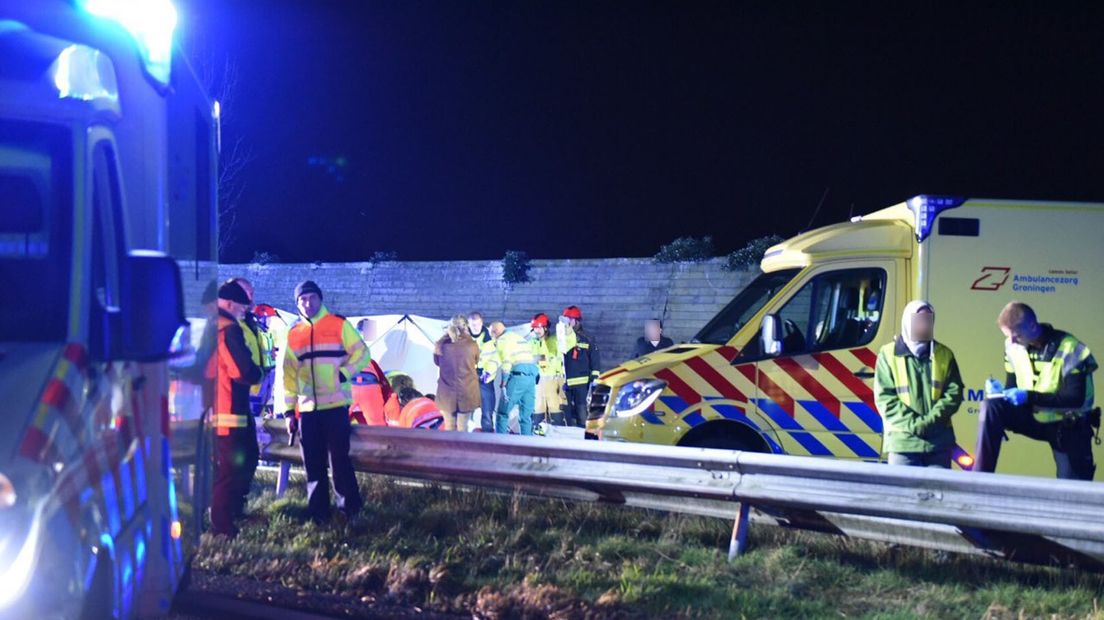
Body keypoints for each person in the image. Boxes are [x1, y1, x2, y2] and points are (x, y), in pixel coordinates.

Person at [975, 302, 1098, 480]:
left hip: (1067, 425)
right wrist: (1002, 393)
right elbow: (1012, 386)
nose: (1012, 342)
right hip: (1032, 417)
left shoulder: (1070, 348)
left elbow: (1074, 399)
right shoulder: (1012, 346)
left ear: (1032, 326)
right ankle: (980, 480)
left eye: (1016, 336)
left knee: (1073, 491)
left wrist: (1028, 396)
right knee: (992, 406)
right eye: (1008, 336)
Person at [283, 280, 370, 522]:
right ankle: (318, 514)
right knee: (313, 464)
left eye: (311, 298)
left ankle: (350, 511)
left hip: (336, 407)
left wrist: (344, 373)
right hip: (308, 410)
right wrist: (289, 411)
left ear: (320, 299)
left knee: (340, 462)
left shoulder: (338, 324)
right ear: (297, 303)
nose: (307, 303)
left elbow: (363, 353)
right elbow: (288, 375)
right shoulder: (294, 334)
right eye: (302, 300)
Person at [874, 301, 964, 468]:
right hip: (903, 444)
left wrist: (929, 422)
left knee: (938, 493)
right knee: (903, 494)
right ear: (908, 322)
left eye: (928, 320)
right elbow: (885, 399)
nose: (923, 325)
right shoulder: (888, 354)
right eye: (919, 320)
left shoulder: (944, 354)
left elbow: (954, 394)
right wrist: (915, 425)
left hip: (938, 444)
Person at [210, 280, 262, 536]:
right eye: (243, 306)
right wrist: (257, 373)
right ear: (230, 304)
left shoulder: (206, 326)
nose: (245, 310)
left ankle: (223, 516)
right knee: (228, 471)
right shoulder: (228, 329)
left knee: (224, 468)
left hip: (208, 411)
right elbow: (241, 370)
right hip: (229, 410)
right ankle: (222, 526)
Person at [490, 321, 540, 435]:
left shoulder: (502, 340)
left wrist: (503, 382)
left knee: (502, 413)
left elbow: (506, 362)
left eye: (491, 335)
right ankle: (526, 444)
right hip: (531, 377)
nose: (492, 338)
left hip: (518, 378)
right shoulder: (518, 337)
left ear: (495, 332)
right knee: (526, 416)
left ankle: (500, 443)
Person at [434, 315, 481, 431]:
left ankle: (448, 449)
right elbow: (476, 361)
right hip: (467, 392)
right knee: (463, 428)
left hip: (446, 393)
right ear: (466, 327)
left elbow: (437, 362)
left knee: (449, 427)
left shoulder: (440, 345)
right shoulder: (472, 345)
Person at [560, 306, 601, 428]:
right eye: (566, 319)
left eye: (569, 319)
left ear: (577, 320)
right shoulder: (561, 337)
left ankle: (582, 433)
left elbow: (595, 359)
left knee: (581, 409)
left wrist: (594, 379)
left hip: (582, 382)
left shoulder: (587, 338)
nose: (567, 322)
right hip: (566, 381)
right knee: (565, 410)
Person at [530, 313, 566, 432]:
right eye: (535, 328)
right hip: (539, 380)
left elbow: (555, 355)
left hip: (554, 380)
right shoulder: (533, 342)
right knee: (538, 406)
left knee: (555, 407)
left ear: (546, 327)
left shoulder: (554, 340)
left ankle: (559, 431)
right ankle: (537, 430)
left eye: (539, 327)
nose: (537, 330)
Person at [468, 311, 498, 432]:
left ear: (482, 322)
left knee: (487, 409)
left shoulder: (491, 337)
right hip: (468, 376)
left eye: (478, 324)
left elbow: (496, 358)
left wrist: (488, 372)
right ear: (468, 324)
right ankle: (464, 436)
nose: (476, 327)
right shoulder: (463, 337)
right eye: (473, 324)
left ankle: (488, 436)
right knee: (465, 409)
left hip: (485, 378)